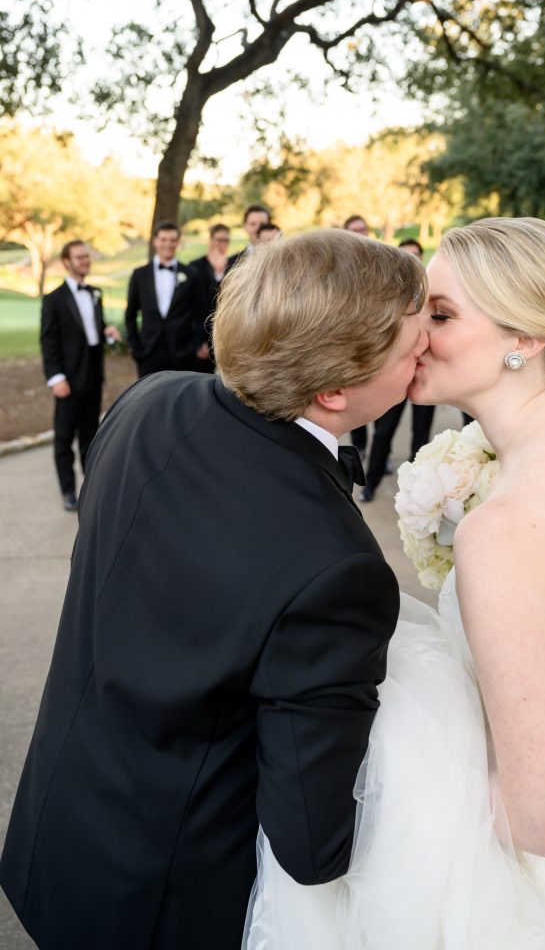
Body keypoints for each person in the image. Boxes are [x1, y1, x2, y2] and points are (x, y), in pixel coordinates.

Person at [245, 217, 545, 948]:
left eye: (440, 315)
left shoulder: (506, 530)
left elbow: (540, 817)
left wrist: (403, 783)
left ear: (524, 339)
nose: (413, 333)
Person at [0, 229, 427, 950]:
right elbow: (311, 841)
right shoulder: (337, 568)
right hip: (164, 901)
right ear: (332, 388)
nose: (426, 356)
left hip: (57, 828)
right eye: (414, 345)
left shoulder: (148, 402)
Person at [39, 240, 121, 510]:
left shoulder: (96, 293)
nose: (85, 260)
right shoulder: (54, 299)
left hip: (93, 378)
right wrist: (55, 378)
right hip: (68, 381)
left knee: (91, 438)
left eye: (87, 256)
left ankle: (91, 488)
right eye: (80, 257)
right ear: (66, 261)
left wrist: (107, 332)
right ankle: (67, 492)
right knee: (64, 439)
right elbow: (48, 341)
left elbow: (92, 332)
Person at [359, 238, 435, 502]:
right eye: (407, 255)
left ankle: (418, 489)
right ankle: (371, 483)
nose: (412, 260)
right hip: (395, 374)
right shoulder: (387, 297)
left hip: (425, 372)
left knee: (422, 434)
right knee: (383, 432)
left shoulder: (432, 295)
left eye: (416, 255)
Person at [125, 220, 206, 377]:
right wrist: (136, 348)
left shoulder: (191, 274)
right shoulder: (139, 275)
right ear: (155, 241)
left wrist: (195, 345)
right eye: (163, 239)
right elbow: (130, 314)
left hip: (182, 353)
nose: (168, 244)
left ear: (178, 242)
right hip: (148, 353)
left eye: (173, 240)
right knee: (149, 399)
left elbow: (201, 313)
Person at [343, 215, 372, 455]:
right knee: (355, 398)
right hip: (353, 342)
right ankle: (359, 446)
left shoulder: (385, 263)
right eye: (355, 230)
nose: (361, 233)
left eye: (364, 229)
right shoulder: (342, 268)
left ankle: (381, 455)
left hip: (380, 339)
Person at [189, 222, 232, 373]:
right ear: (211, 240)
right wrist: (199, 341)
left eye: (226, 240)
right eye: (219, 239)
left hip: (228, 338)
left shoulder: (233, 265)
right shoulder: (195, 267)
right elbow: (194, 307)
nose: (222, 244)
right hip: (202, 338)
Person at [228, 204, 271, 268]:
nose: (257, 228)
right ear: (245, 227)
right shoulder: (232, 262)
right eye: (252, 224)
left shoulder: (282, 257)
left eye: (262, 224)